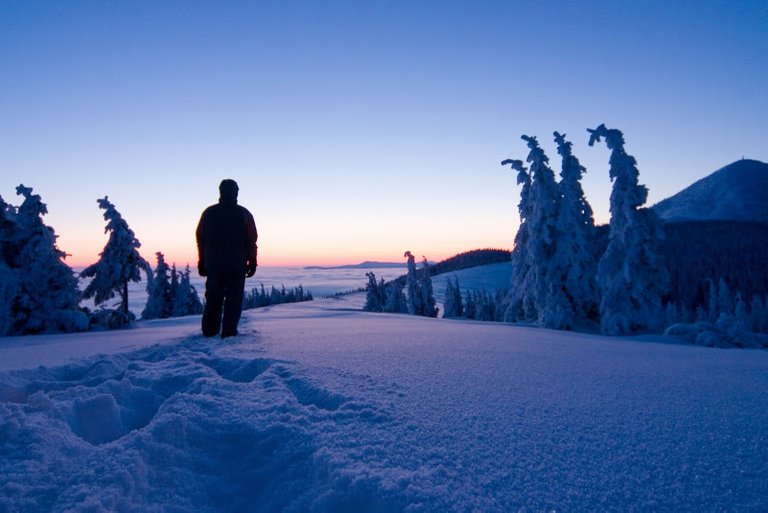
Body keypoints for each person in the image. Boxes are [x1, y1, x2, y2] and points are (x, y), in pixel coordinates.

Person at [196, 179, 258, 338]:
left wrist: (202, 261)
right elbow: (252, 239)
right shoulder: (243, 213)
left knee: (213, 297)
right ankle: (229, 333)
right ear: (236, 192)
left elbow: (200, 238)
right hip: (237, 265)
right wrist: (252, 261)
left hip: (214, 265)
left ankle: (209, 332)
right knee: (234, 299)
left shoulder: (209, 213)